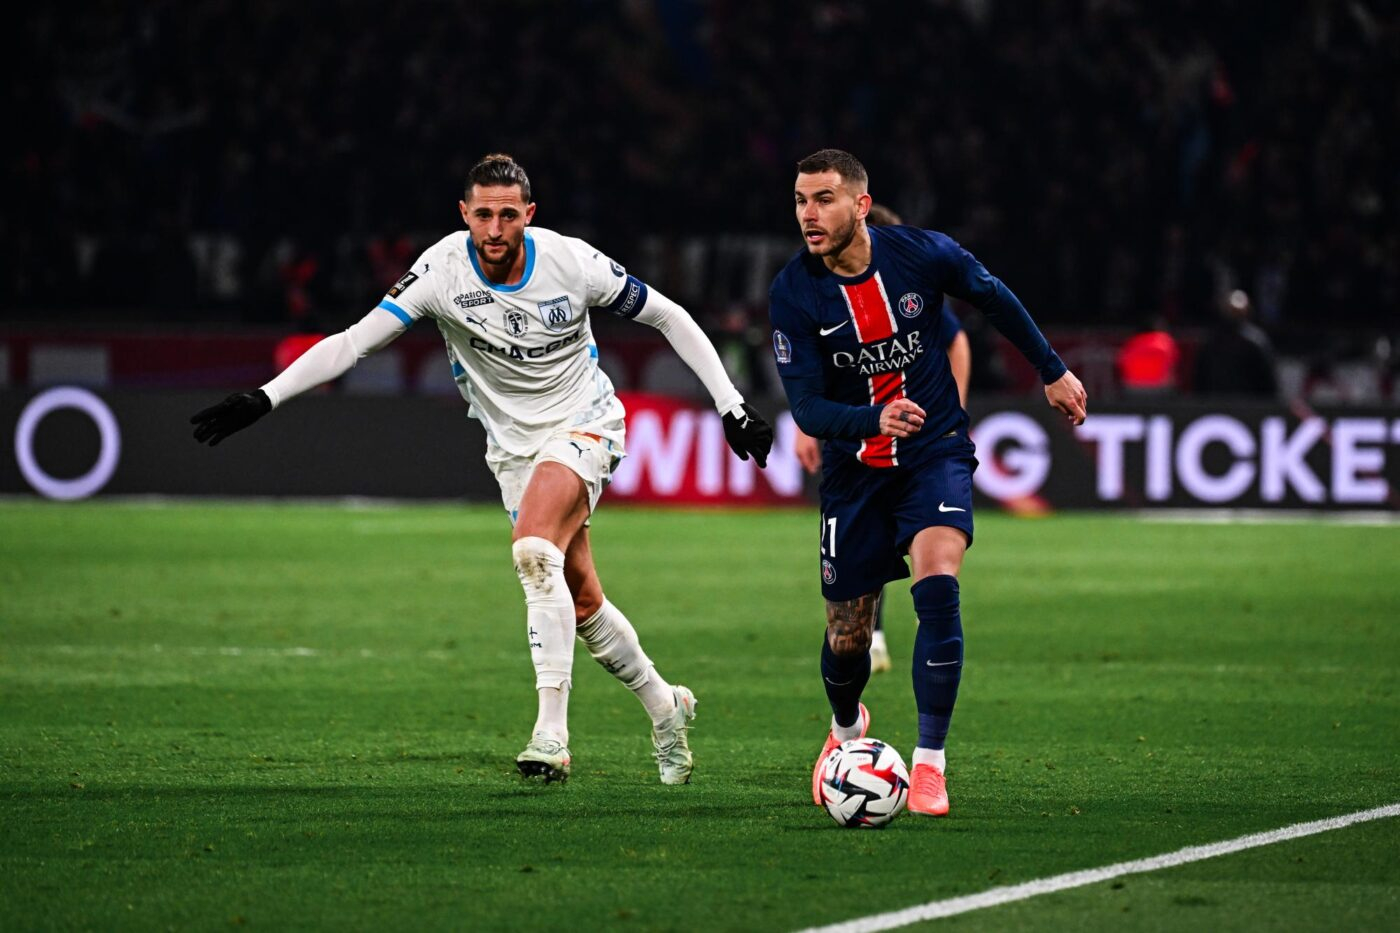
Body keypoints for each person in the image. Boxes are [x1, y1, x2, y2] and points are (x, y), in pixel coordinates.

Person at [191, 154, 774, 785]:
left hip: (584, 422)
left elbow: (668, 315)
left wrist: (731, 403)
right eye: (483, 215)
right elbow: (355, 342)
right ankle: (665, 706)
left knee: (532, 552)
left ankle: (551, 735)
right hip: (512, 450)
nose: (495, 229)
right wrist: (266, 396)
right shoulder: (440, 271)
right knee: (581, 600)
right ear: (464, 214)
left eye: (508, 215)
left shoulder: (570, 262)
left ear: (529, 214)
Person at [769, 150, 1085, 817]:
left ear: (861, 204)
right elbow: (808, 409)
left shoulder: (920, 254)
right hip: (854, 470)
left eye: (823, 199)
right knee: (848, 637)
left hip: (932, 450)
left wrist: (1052, 370)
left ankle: (930, 764)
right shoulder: (793, 292)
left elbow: (993, 296)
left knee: (938, 586)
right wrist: (872, 418)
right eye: (800, 200)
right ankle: (847, 729)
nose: (808, 214)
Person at [791, 203, 971, 675]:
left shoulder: (906, 284)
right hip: (856, 439)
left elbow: (957, 340)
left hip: (916, 440)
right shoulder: (818, 291)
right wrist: (805, 425)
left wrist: (951, 411)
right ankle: (870, 641)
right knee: (865, 557)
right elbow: (814, 370)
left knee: (924, 557)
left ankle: (886, 643)